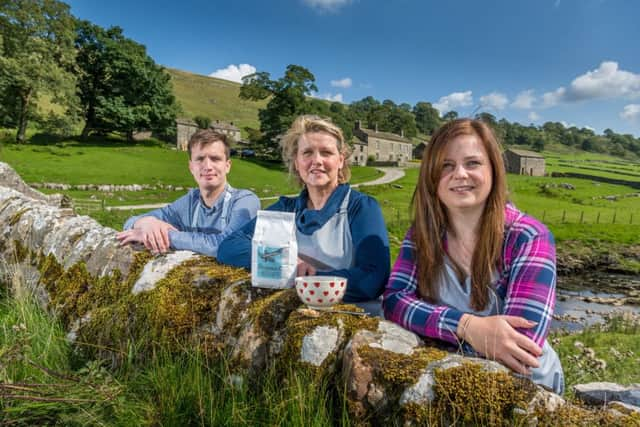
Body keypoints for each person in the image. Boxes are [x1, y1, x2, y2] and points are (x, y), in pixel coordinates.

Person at [383, 118, 564, 394]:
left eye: (472, 163)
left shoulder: (528, 237)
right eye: (446, 165)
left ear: (493, 169)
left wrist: (431, 327)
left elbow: (519, 344)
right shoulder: (422, 235)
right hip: (447, 381)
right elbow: (394, 302)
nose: (460, 174)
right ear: (431, 176)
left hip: (527, 391)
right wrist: (467, 326)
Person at [218, 115, 390, 314]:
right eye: (307, 153)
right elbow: (230, 247)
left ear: (341, 160)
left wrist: (312, 278)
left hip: (354, 321)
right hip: (299, 318)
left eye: (326, 153)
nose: (317, 161)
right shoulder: (286, 209)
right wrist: (290, 262)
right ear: (297, 162)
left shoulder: (360, 207)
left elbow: (373, 277)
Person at [116, 129, 260, 258]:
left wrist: (167, 236)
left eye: (215, 159)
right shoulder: (190, 201)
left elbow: (225, 246)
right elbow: (130, 222)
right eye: (200, 159)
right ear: (191, 167)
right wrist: (147, 224)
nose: (208, 166)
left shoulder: (245, 201)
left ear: (227, 166)